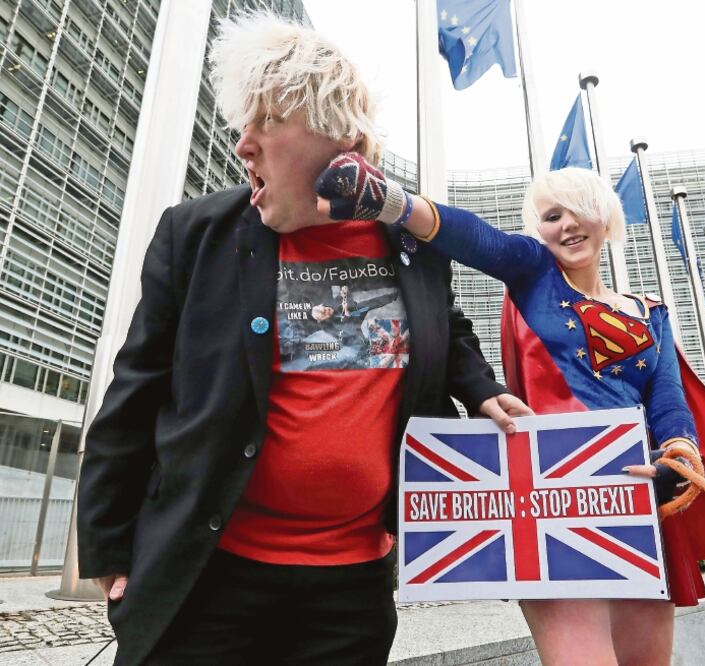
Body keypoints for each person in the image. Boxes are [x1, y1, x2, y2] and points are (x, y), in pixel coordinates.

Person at [76, 12, 530, 666]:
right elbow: (135, 389)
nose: (243, 144)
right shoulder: (194, 233)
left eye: (267, 121)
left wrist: (480, 387)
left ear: (339, 135)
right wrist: (107, 543)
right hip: (206, 575)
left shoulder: (413, 243)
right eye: (244, 124)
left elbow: (446, 325)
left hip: (349, 592)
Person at [316, 155, 705, 665]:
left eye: (579, 210)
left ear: (606, 219)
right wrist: (389, 200)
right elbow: (478, 238)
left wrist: (678, 458)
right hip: (552, 499)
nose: (567, 224)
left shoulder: (650, 312)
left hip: (631, 497)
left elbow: (667, 399)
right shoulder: (535, 273)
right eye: (552, 216)